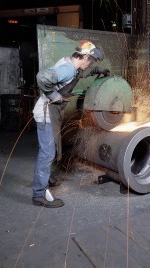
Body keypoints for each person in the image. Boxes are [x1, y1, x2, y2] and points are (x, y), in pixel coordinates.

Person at [32, 40, 110, 208]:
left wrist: (97, 70)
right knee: (47, 153)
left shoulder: (73, 66)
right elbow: (42, 77)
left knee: (51, 148)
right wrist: (52, 95)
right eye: (91, 61)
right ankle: (39, 194)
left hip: (52, 113)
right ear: (84, 57)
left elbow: (81, 74)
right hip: (46, 113)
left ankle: (46, 179)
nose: (90, 64)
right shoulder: (68, 69)